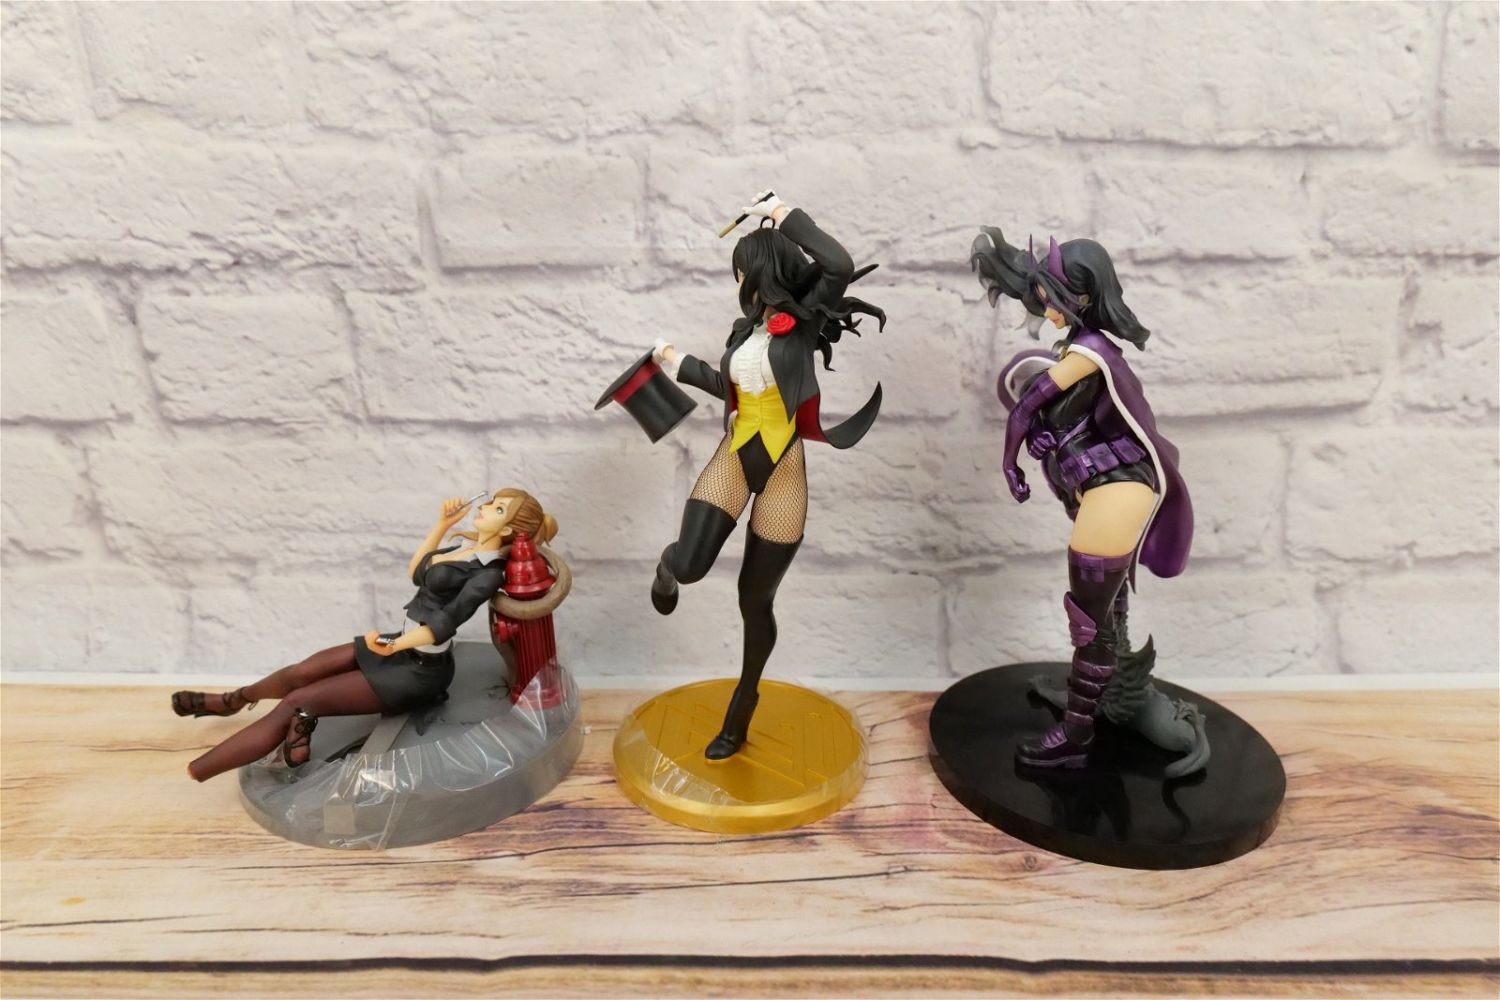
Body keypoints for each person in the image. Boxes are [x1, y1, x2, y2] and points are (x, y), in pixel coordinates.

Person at [650, 190, 885, 759]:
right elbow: (728, 386)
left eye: (741, 271)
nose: (738, 282)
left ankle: (742, 707)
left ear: (760, 270)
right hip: (735, 454)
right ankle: (666, 567)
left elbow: (839, 264)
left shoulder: (803, 322)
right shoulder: (743, 332)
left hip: (784, 467)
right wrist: (676, 362)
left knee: (755, 601)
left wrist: (781, 214)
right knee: (692, 564)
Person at [972, 228, 1193, 768]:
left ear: (1085, 295)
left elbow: (1026, 407)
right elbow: (1049, 417)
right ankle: (1107, 698)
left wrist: (1010, 459)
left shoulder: (1088, 354)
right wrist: (1043, 444)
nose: (1045, 309)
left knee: (1088, 620)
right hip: (1107, 488)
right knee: (1105, 607)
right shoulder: (1084, 365)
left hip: (1118, 490)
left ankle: (1076, 735)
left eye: (1052, 298)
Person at [174, 489, 557, 781]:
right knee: (302, 672)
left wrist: (394, 644)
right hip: (397, 644)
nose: (485, 507)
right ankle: (234, 700)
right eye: (491, 502)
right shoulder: (463, 548)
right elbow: (418, 573)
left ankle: (198, 770)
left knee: (298, 700)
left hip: (420, 668)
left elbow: (446, 623)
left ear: (508, 529)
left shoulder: (487, 574)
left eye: (498, 509)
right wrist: (441, 525)